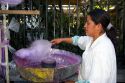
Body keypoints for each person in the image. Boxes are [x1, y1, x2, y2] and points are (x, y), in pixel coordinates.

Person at [51, 9, 117, 83]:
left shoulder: (102, 50)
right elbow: (77, 40)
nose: (85, 25)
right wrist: (61, 39)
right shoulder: (93, 39)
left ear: (98, 26)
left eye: (88, 23)